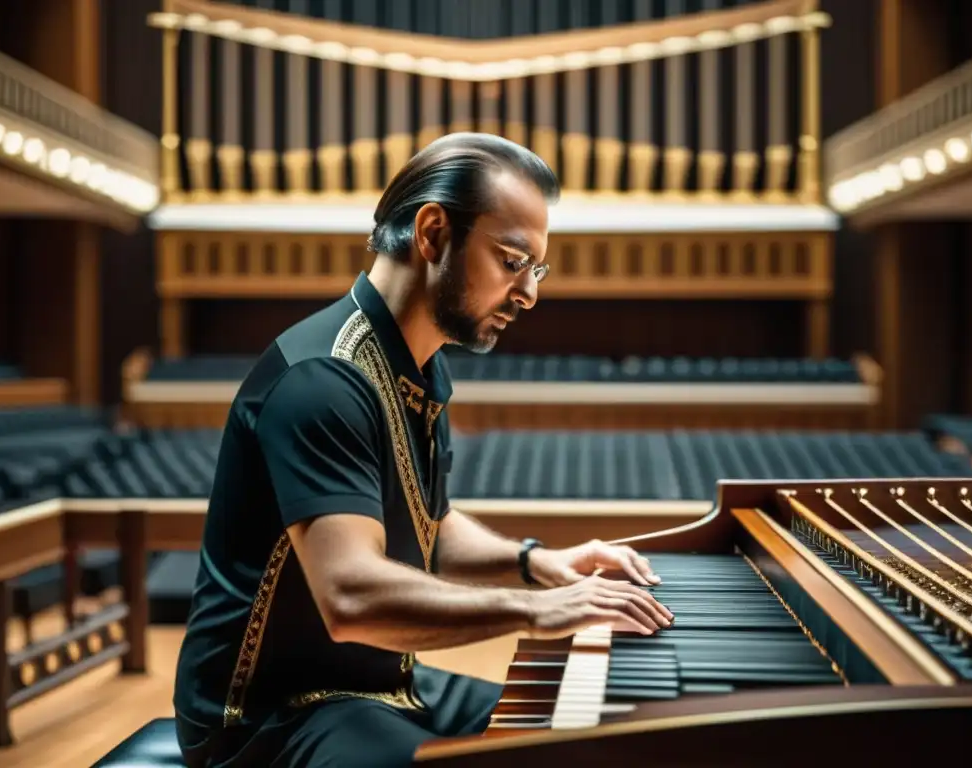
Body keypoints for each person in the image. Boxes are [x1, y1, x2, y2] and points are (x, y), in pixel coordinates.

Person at [172, 133, 673, 767]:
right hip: (266, 716)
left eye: (535, 270)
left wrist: (541, 563)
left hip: (379, 687)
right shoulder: (323, 380)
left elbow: (426, 525)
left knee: (591, 733)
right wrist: (537, 609)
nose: (528, 295)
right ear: (432, 233)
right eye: (513, 261)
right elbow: (351, 595)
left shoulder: (417, 366)